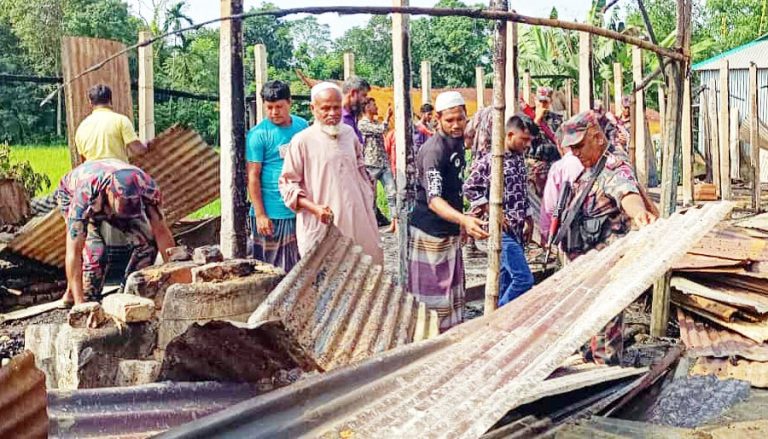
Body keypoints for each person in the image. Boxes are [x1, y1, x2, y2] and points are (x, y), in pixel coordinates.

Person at [559, 110, 658, 365]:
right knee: (587, 324)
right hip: (586, 267)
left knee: (605, 323)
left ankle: (605, 369)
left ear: (597, 138)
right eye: (572, 148)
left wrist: (639, 214)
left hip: (606, 268)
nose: (575, 153)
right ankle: (590, 360)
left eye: (579, 146)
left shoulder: (613, 167)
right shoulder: (587, 170)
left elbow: (627, 193)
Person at [409, 91, 488, 332]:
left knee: (452, 292)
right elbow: (434, 200)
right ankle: (429, 340)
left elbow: (455, 187)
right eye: (449, 120)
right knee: (432, 298)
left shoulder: (458, 144)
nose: (456, 125)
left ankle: (450, 335)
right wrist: (464, 219)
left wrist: (460, 223)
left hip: (449, 228)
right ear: (437, 119)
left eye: (460, 119)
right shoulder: (434, 151)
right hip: (431, 233)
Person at [279, 82, 383, 263]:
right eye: (325, 108)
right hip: (322, 224)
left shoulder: (349, 134)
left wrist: (367, 193)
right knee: (325, 273)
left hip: (357, 220)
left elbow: (360, 171)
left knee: (363, 269)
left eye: (336, 108)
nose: (332, 113)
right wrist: (314, 208)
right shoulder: (302, 141)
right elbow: (287, 185)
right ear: (313, 109)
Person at [55, 159, 175, 305]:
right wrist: (80, 306)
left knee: (147, 245)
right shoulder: (84, 196)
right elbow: (74, 251)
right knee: (95, 254)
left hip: (109, 197)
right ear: (109, 195)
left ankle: (129, 295)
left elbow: (161, 232)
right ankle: (78, 295)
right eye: (120, 211)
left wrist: (176, 279)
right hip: (73, 193)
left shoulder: (148, 189)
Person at [464, 114, 536, 306]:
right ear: (510, 135)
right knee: (523, 279)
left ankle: (500, 314)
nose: (527, 144)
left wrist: (529, 219)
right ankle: (499, 316)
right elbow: (469, 188)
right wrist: (492, 211)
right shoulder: (491, 160)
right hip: (501, 231)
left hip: (517, 228)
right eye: (524, 139)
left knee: (506, 280)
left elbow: (522, 191)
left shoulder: (519, 158)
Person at [246, 80, 308, 273]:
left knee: (301, 267)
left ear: (290, 102)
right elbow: (253, 176)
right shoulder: (258, 134)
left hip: (299, 208)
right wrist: (260, 215)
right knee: (271, 271)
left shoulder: (302, 126)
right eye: (269, 107)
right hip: (272, 213)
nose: (274, 112)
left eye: (279, 107)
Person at [75, 84, 149, 163]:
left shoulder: (81, 128)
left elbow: (83, 161)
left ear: (90, 103)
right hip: (117, 169)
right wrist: (147, 146)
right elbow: (138, 150)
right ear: (110, 101)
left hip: (91, 169)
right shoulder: (121, 120)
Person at [359, 97, 397, 233]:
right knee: (371, 197)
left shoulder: (375, 122)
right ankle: (371, 226)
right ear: (367, 107)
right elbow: (381, 130)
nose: (376, 107)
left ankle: (395, 223)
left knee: (392, 193)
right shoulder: (362, 124)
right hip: (371, 165)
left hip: (383, 163)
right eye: (373, 105)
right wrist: (387, 117)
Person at [539, 128, 584, 244]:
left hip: (570, 233)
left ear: (559, 144)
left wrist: (546, 236)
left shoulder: (559, 167)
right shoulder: (594, 159)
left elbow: (550, 207)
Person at [523, 87, 564, 198]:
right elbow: (526, 139)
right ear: (535, 100)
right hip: (532, 167)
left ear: (550, 102)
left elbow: (560, 140)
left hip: (552, 166)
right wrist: (537, 120)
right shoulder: (526, 117)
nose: (542, 105)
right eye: (540, 101)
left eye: (545, 102)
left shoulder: (557, 120)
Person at [341, 75, 371, 144]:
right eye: (363, 95)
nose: (365, 100)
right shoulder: (338, 118)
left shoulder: (353, 117)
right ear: (353, 93)